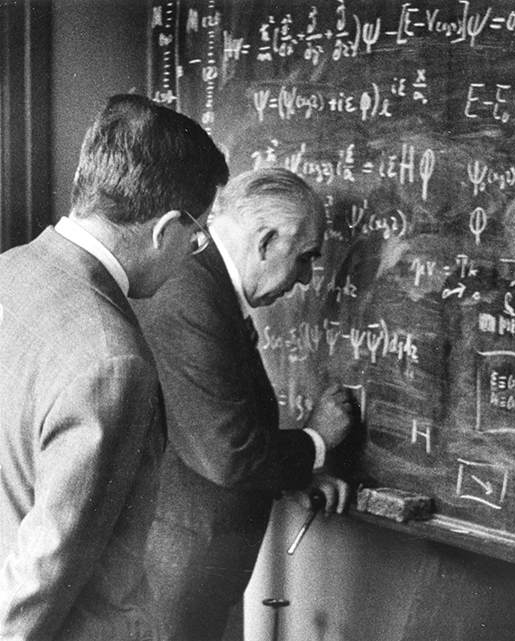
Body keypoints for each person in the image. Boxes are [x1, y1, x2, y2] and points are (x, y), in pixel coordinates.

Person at [0, 94, 229, 640]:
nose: (192, 250)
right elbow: (46, 569)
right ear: (167, 227)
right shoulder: (113, 360)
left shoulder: (10, 271)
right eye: (196, 237)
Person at [134, 167, 356, 641]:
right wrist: (316, 441)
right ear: (266, 240)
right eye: (304, 258)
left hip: (192, 567)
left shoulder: (203, 284)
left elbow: (207, 423)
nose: (305, 278)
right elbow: (228, 451)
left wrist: (292, 473)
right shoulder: (192, 295)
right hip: (176, 575)